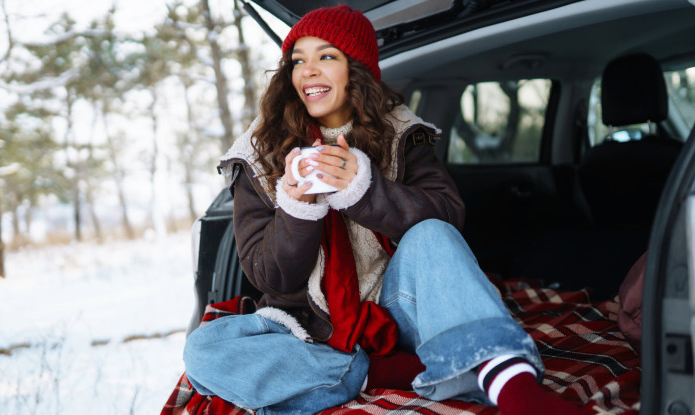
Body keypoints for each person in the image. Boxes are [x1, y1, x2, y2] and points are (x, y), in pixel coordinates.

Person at [184, 5, 588, 415]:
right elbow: (269, 277)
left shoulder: (401, 133)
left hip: (397, 306)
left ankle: (514, 388)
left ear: (355, 69)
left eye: (326, 56)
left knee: (432, 233)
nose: (308, 71)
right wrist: (296, 209)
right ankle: (377, 372)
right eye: (298, 60)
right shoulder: (257, 153)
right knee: (203, 351)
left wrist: (366, 190)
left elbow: (448, 216)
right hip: (306, 324)